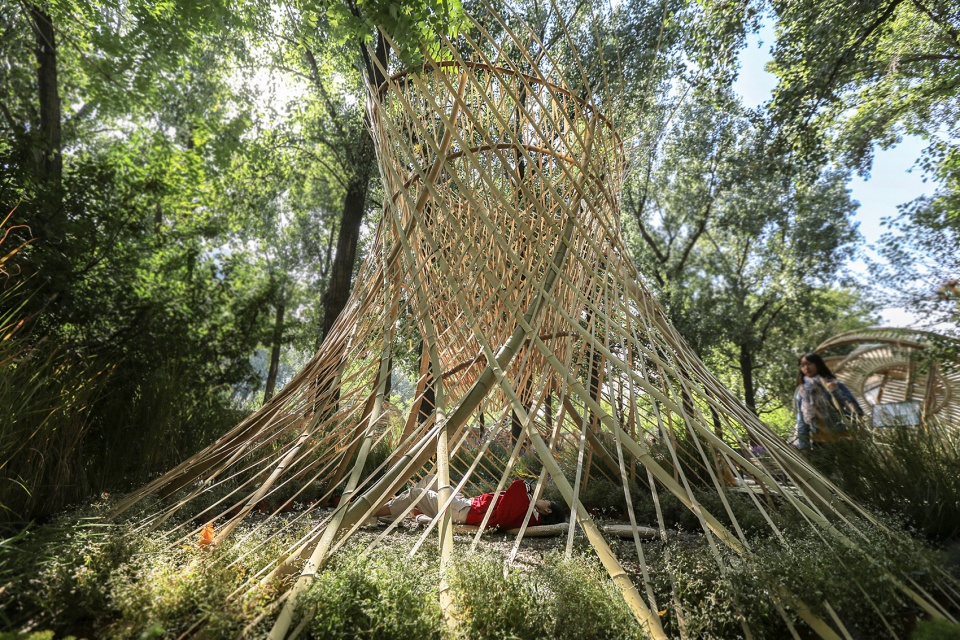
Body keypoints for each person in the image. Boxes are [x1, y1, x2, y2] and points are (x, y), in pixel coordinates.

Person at [375, 477, 566, 530]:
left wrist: (531, 495)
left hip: (463, 511)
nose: (540, 498)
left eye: (545, 500)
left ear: (548, 510)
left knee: (415, 493)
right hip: (466, 504)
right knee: (431, 479)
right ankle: (395, 513)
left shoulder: (530, 516)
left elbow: (517, 486)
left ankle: (371, 513)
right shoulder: (528, 509)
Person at [793, 352, 863, 451]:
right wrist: (804, 445)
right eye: (802, 365)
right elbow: (802, 421)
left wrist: (835, 392)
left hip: (845, 438)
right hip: (820, 442)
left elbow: (856, 411)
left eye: (809, 364)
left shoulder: (836, 385)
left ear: (818, 364)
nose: (806, 368)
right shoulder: (802, 392)